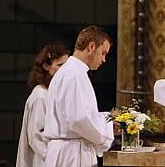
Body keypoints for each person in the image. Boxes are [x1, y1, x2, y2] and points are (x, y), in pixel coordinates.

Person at [43, 25, 114, 167]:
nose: (104, 59)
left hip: (65, 150)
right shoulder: (75, 74)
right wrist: (107, 131)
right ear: (92, 47)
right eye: (103, 53)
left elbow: (79, 114)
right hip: (72, 154)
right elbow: (79, 119)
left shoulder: (70, 71)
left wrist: (107, 120)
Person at [16, 43, 69, 167]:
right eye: (60, 65)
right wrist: (56, 160)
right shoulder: (41, 96)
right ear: (46, 66)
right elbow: (36, 137)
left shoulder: (52, 93)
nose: (64, 70)